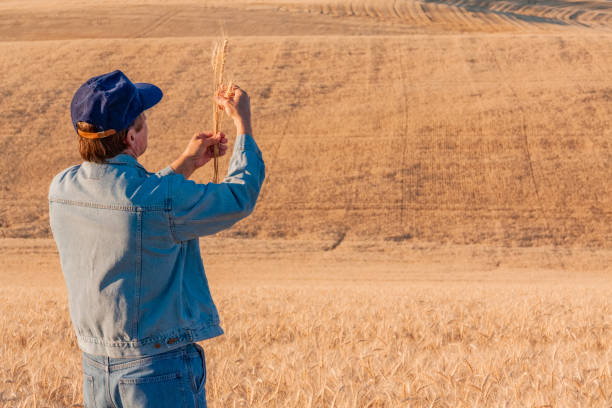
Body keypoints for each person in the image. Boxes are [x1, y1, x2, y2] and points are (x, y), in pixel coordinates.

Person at [48, 70, 265, 408]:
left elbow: (133, 202)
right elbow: (240, 196)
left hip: (94, 370)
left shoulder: (61, 189)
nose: (146, 125)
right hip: (156, 371)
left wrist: (186, 164)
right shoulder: (157, 200)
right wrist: (244, 127)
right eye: (142, 121)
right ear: (131, 140)